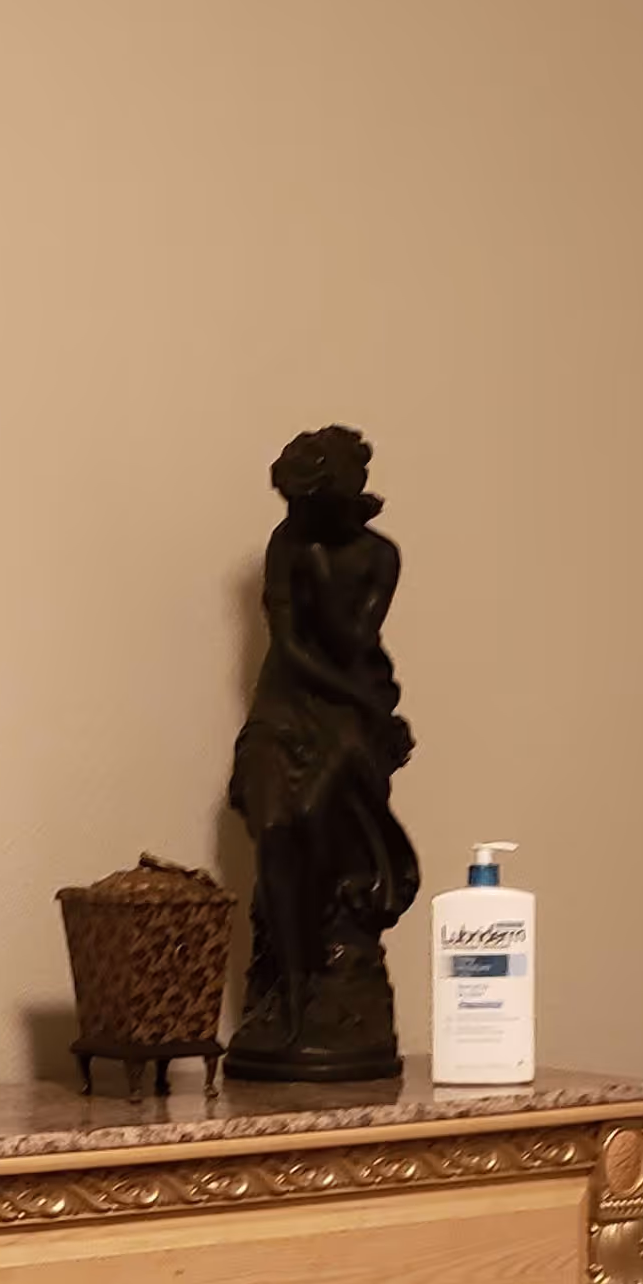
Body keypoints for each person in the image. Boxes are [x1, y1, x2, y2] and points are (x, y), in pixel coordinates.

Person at [225, 427, 420, 1082]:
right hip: (285, 706)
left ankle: (324, 978)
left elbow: (348, 642)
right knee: (274, 826)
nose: (294, 519)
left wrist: (368, 713)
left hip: (346, 706)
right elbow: (292, 650)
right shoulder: (289, 543)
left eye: (309, 505)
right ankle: (294, 990)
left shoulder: (380, 557)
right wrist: (306, 559)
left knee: (316, 817)